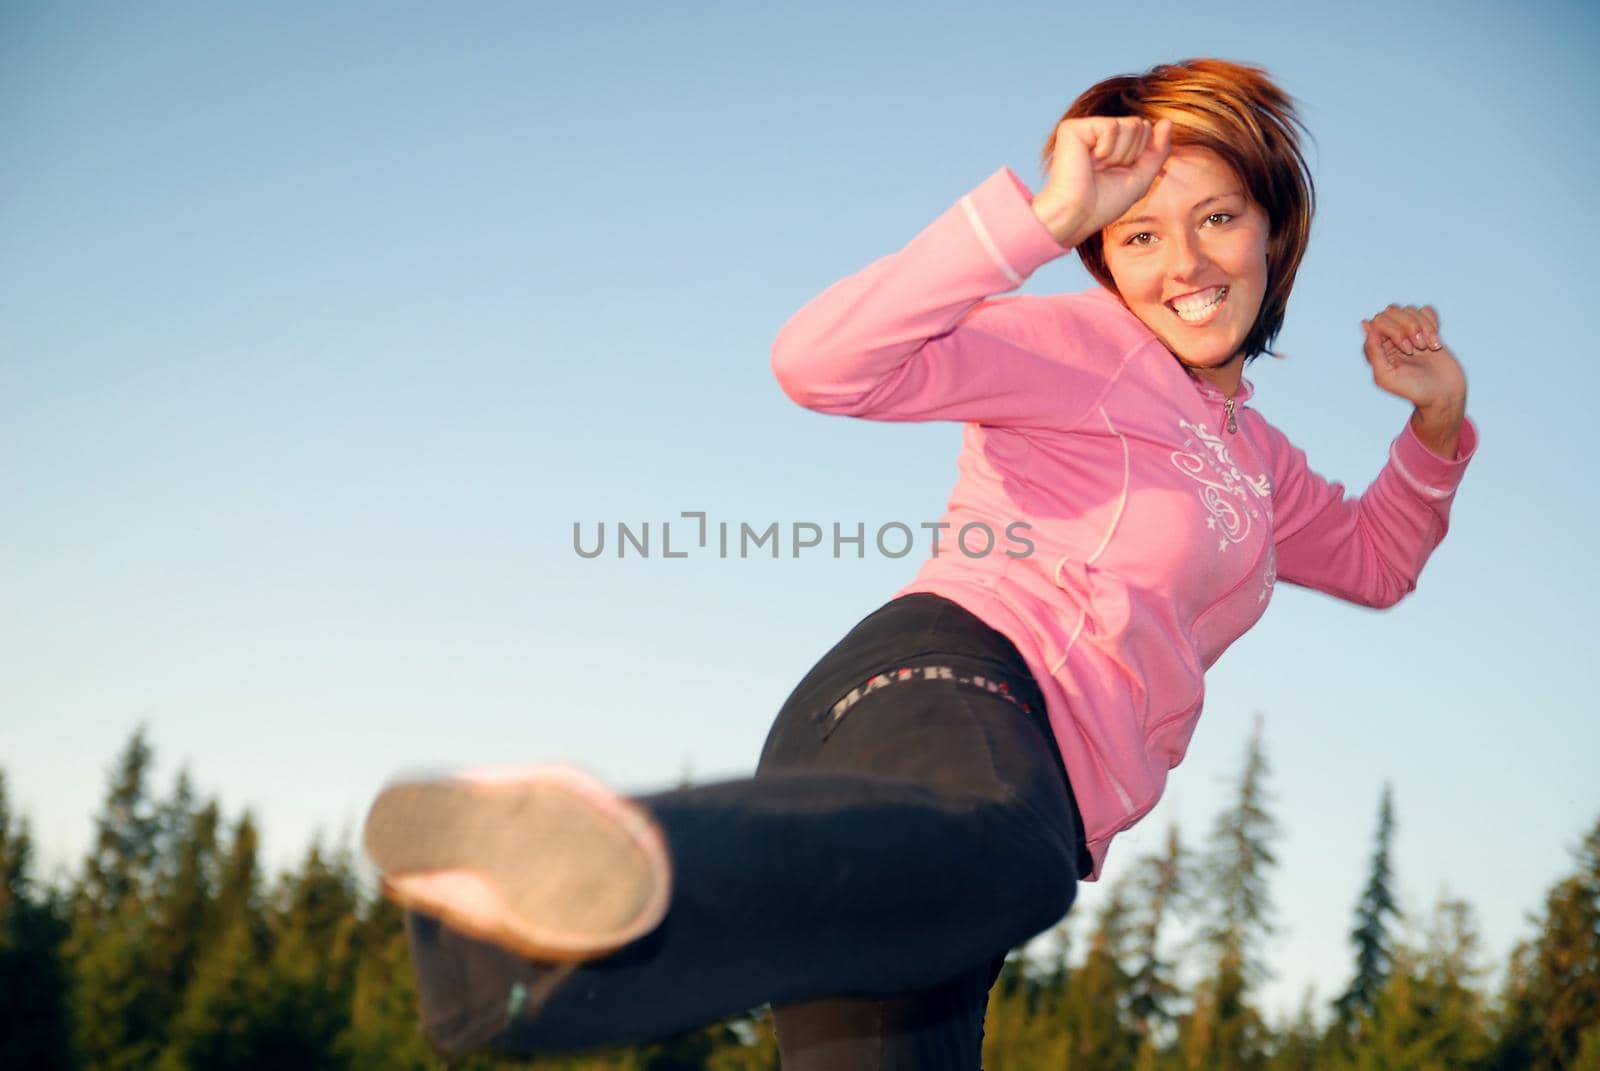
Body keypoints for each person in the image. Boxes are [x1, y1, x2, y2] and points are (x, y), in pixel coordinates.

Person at [361, 57, 1476, 1068]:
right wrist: (1038, 221)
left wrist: (1435, 424)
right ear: (1104, 256)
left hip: (922, 837)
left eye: (1217, 219)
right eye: (1137, 234)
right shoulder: (1089, 349)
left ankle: (492, 967)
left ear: (1273, 229)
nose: (1182, 262)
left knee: (984, 885)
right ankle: (612, 868)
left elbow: (1376, 561)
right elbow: (820, 364)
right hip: (956, 692)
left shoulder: (1262, 466)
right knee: (1008, 858)